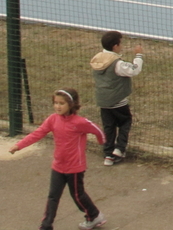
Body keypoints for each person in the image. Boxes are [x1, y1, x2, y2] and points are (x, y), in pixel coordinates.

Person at [8, 88, 108, 230]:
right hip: (58, 166)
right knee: (53, 197)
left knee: (78, 195)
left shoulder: (79, 122)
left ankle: (94, 216)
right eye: (55, 103)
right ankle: (46, 225)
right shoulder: (53, 119)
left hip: (74, 167)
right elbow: (38, 133)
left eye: (62, 103)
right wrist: (19, 145)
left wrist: (102, 142)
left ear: (71, 105)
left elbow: (97, 130)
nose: (57, 106)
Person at [89, 30, 144, 166]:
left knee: (109, 127)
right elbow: (134, 70)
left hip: (103, 101)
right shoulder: (117, 64)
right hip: (118, 101)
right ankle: (119, 149)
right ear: (115, 46)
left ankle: (108, 154)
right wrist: (139, 55)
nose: (122, 45)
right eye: (121, 43)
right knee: (125, 122)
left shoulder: (97, 59)